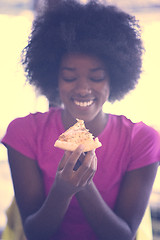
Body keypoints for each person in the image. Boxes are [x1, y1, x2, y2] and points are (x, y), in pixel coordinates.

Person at [1, 0, 160, 239]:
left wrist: (83, 186)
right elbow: (35, 233)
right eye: (69, 76)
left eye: (96, 77)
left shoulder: (142, 140)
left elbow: (123, 235)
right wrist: (62, 190)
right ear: (53, 78)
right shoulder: (24, 132)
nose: (83, 88)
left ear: (113, 79)